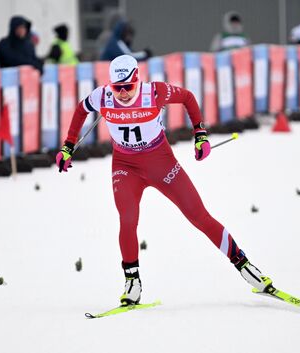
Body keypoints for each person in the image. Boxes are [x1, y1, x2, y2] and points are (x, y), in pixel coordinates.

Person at [55, 55, 273, 306]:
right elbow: (81, 110)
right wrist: (68, 147)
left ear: (138, 80)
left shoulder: (154, 92)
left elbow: (188, 98)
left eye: (129, 86)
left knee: (198, 215)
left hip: (161, 163)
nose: (123, 93)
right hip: (126, 166)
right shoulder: (102, 96)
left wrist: (200, 135)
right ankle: (132, 282)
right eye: (118, 88)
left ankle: (245, 266)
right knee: (127, 219)